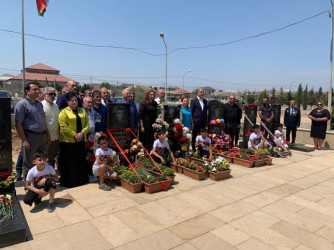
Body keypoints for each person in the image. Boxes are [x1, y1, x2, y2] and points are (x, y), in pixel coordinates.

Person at [15, 82, 50, 181]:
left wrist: (47, 134)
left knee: (42, 160)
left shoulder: (39, 103)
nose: (37, 91)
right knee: (29, 163)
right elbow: (18, 123)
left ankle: (40, 181)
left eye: (38, 89)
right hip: (30, 137)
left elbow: (43, 120)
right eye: (34, 89)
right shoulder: (22, 104)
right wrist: (24, 140)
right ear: (27, 91)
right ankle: (28, 186)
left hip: (42, 136)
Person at [58, 92, 89, 188]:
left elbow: (87, 124)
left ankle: (81, 181)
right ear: (68, 102)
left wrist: (81, 133)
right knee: (70, 162)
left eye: (76, 100)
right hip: (68, 141)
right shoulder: (64, 112)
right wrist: (74, 135)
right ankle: (70, 182)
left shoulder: (82, 111)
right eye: (72, 100)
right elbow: (63, 126)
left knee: (80, 161)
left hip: (80, 140)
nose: (74, 102)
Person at [42, 87, 60, 169]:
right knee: (43, 157)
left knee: (52, 157)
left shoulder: (56, 106)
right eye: (50, 94)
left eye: (54, 94)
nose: (53, 96)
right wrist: (47, 134)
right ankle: (43, 175)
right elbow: (42, 121)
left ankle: (51, 174)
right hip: (46, 137)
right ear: (45, 95)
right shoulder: (41, 105)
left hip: (55, 137)